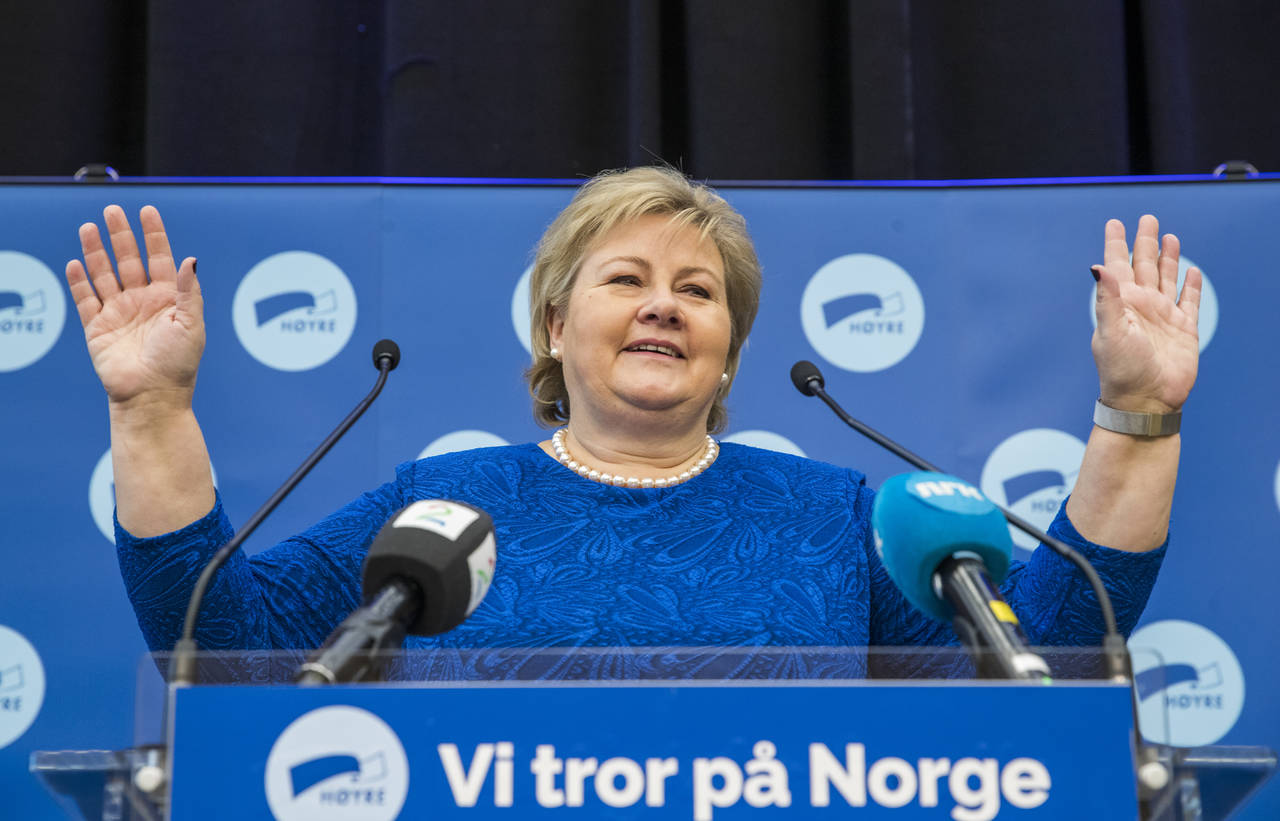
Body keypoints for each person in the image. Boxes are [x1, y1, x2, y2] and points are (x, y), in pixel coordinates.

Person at [65, 167, 1199, 661]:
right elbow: (223, 642)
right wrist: (154, 404)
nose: (663, 302)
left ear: (726, 355)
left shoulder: (838, 518)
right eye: (625, 279)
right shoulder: (441, 507)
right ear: (553, 327)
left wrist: (1136, 410)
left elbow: (1045, 647)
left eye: (697, 291)